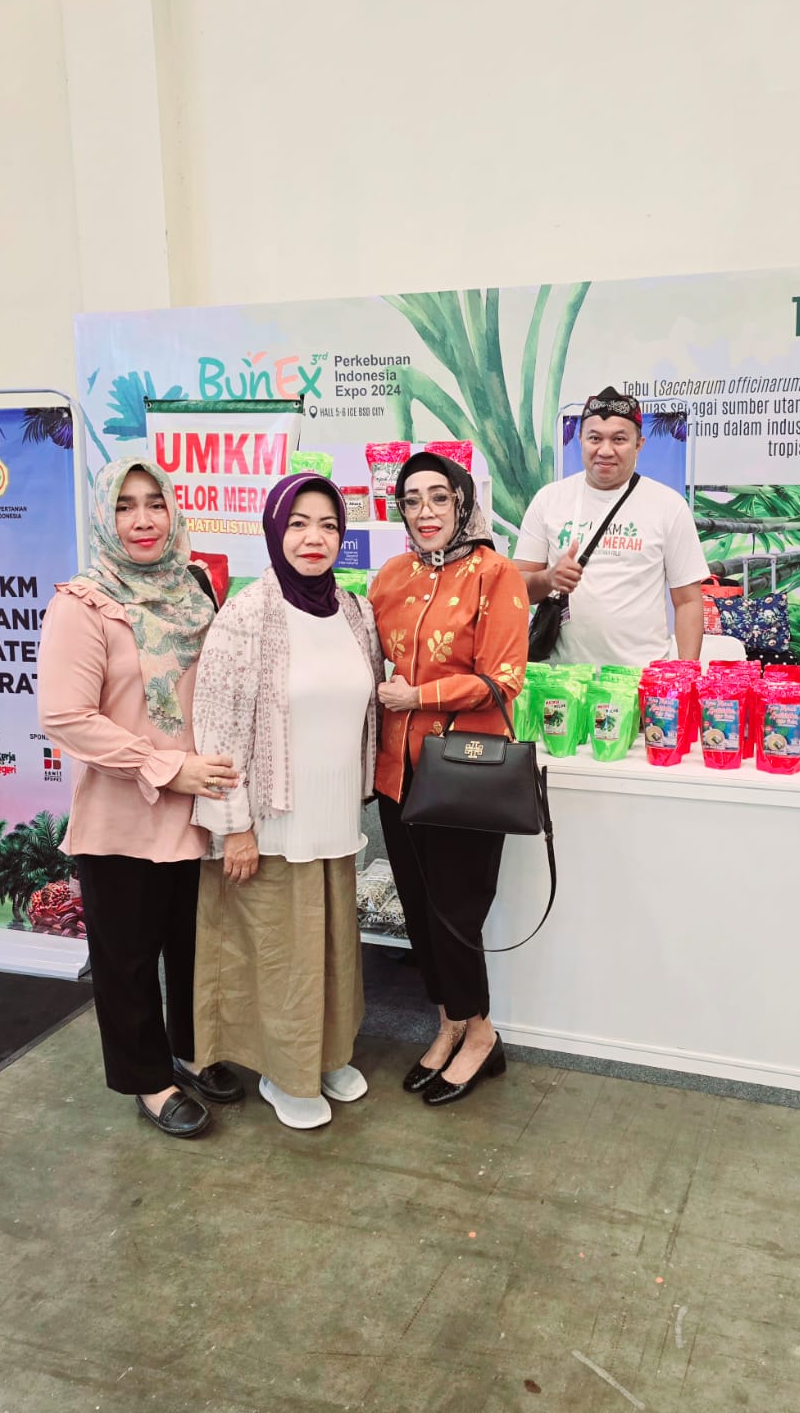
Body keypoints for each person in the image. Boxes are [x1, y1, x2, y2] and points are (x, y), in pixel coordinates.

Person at [38, 461, 244, 1140]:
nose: (143, 520)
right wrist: (165, 766)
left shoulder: (195, 587)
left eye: (155, 503)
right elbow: (65, 716)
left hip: (197, 810)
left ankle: (192, 1049)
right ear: (106, 517)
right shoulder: (83, 603)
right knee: (127, 961)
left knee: (194, 947)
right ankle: (149, 1080)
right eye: (125, 507)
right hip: (125, 815)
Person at [190, 473, 383, 1131]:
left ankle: (325, 1055)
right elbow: (217, 731)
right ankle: (284, 1072)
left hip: (334, 820)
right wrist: (234, 828)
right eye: (298, 523)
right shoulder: (247, 615)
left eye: (328, 525)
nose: (313, 538)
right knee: (280, 955)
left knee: (330, 950)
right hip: (271, 826)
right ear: (275, 530)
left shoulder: (353, 611)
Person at [369, 453, 529, 1106]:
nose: (426, 511)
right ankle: (448, 1025)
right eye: (412, 500)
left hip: (464, 772)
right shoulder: (390, 576)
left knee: (456, 914)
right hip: (397, 774)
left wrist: (420, 697)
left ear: (462, 502)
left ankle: (481, 1033)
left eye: (440, 497)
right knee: (418, 911)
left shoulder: (496, 573)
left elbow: (503, 679)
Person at [514, 386, 705, 667]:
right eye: (594, 438)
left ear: (639, 444)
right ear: (580, 439)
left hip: (639, 677)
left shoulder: (668, 505)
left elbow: (688, 601)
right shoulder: (549, 500)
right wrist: (548, 579)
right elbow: (516, 588)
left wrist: (686, 676)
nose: (605, 450)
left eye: (619, 439)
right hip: (561, 679)